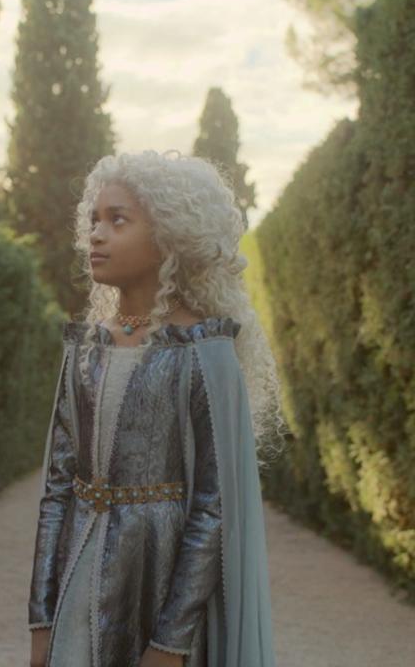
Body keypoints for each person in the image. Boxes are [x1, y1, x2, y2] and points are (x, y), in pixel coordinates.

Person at [28, 151, 283, 667]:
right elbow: (57, 491)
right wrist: (41, 618)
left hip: (160, 583)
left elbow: (214, 509)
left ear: (170, 235)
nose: (95, 235)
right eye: (94, 220)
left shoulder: (202, 353)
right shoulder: (86, 350)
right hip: (77, 588)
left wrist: (170, 641)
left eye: (117, 220)